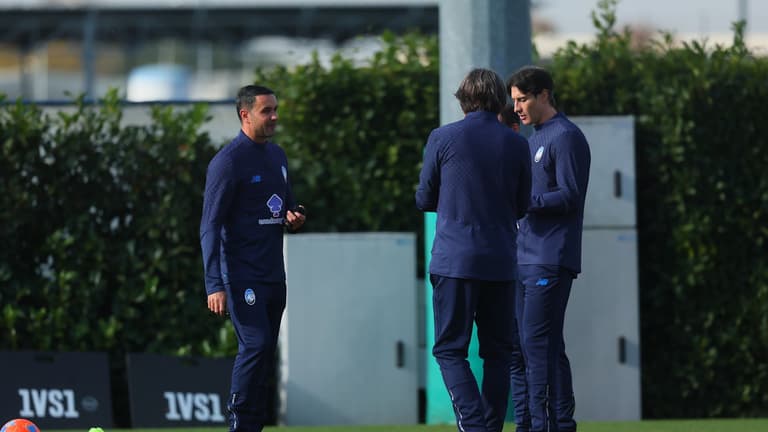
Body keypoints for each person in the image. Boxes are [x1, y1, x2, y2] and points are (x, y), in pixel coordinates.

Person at [416, 68, 532, 432]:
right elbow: (523, 204)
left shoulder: (443, 137)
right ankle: (491, 425)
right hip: (500, 259)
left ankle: (475, 425)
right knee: (499, 353)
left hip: (455, 259)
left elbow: (424, 197)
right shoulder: (516, 143)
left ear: (462, 99)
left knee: (450, 350)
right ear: (500, 100)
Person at [199, 85, 306, 432]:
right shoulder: (227, 162)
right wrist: (215, 283)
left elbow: (286, 205)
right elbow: (210, 226)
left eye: (276, 109)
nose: (274, 117)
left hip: (274, 275)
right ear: (245, 115)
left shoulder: (277, 156)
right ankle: (240, 421)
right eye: (266, 111)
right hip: (242, 276)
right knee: (256, 346)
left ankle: (252, 425)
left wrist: (295, 217)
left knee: (264, 356)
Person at [506, 66, 591, 432]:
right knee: (531, 347)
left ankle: (548, 426)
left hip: (550, 258)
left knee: (538, 346)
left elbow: (571, 195)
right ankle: (535, 424)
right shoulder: (532, 139)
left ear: (543, 95)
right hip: (525, 256)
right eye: (513, 102)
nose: (517, 109)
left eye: (522, 99)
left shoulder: (566, 136)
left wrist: (527, 200)